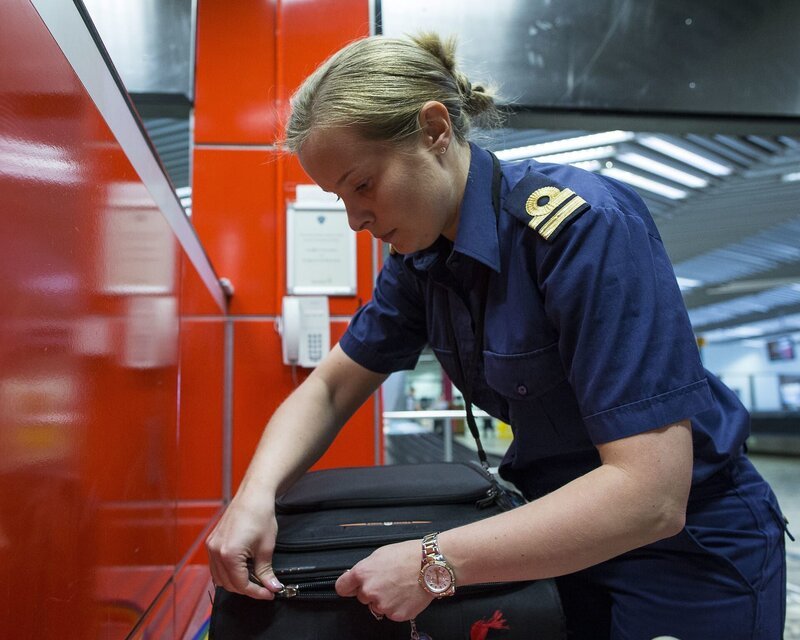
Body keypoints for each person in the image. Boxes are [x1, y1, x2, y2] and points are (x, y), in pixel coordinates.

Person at [206, 33, 790, 639]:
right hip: (557, 539)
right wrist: (254, 497)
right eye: (339, 199)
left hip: (689, 551)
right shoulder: (420, 263)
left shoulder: (580, 229)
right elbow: (330, 387)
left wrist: (435, 562)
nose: (356, 220)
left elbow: (651, 496)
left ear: (434, 129)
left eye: (362, 185)